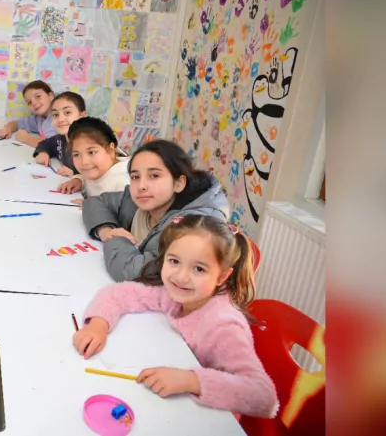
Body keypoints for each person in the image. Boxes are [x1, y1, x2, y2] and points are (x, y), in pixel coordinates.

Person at [73, 215, 277, 418]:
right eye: (174, 261)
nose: (181, 276)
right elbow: (119, 293)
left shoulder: (224, 325)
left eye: (199, 269)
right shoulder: (177, 294)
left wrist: (191, 381)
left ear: (222, 276)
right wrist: (98, 324)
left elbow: (263, 396)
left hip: (210, 418)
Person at [82, 139, 229, 281]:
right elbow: (95, 202)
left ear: (178, 183)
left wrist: (116, 238)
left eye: (154, 176)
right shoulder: (141, 200)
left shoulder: (191, 227)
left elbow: (135, 272)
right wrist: (105, 230)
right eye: (135, 176)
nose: (142, 186)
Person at [55, 116, 129, 199]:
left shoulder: (124, 184)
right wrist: (78, 180)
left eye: (91, 152)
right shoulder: (97, 170)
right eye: (76, 155)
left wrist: (94, 206)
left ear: (110, 150)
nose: (84, 162)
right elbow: (87, 179)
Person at [32, 91, 87, 177]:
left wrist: (75, 175)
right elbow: (45, 144)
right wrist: (43, 153)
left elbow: (102, 174)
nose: (60, 119)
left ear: (82, 116)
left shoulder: (92, 143)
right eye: (55, 114)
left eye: (67, 112)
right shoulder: (60, 139)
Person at [0, 81, 57, 147]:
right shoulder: (38, 119)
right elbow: (17, 123)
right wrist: (7, 129)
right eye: (29, 102)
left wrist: (25, 138)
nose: (34, 103)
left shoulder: (59, 118)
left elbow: (53, 146)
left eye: (38, 96)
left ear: (51, 96)